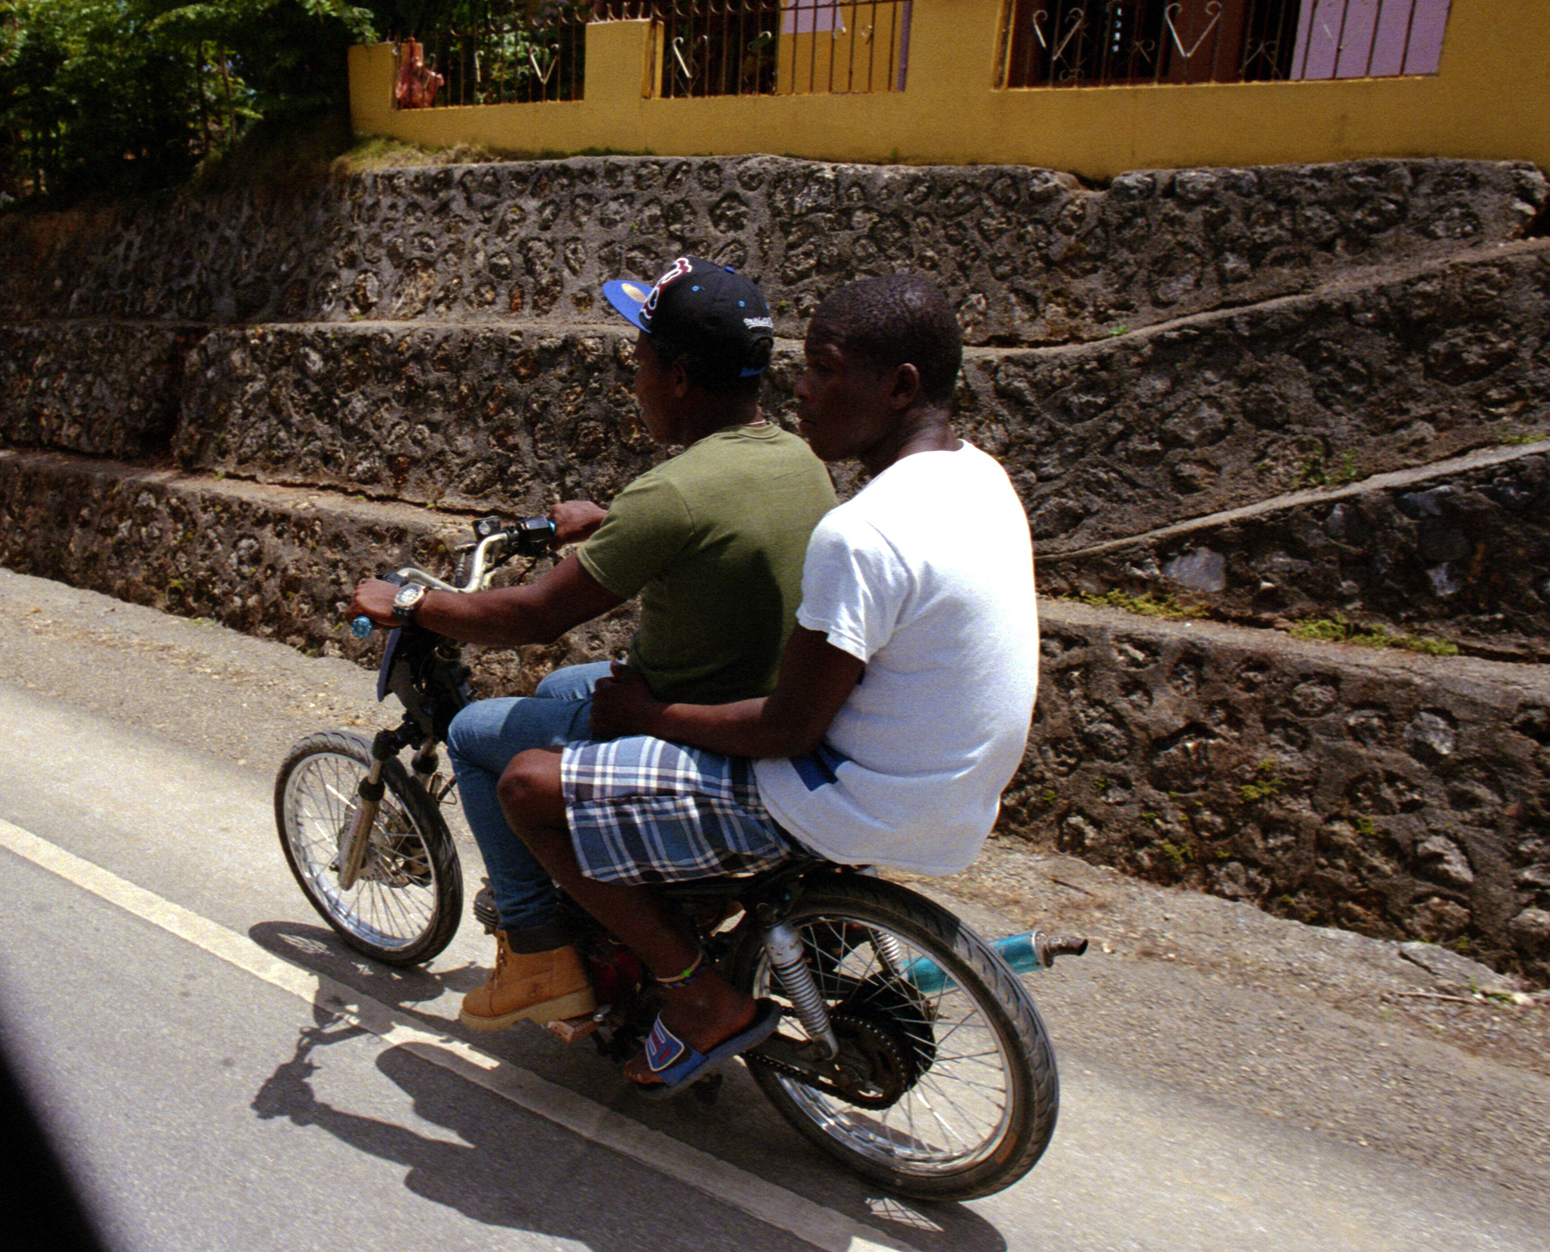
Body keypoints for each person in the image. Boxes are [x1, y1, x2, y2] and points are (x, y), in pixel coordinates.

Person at [495, 274, 1038, 1096]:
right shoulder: (979, 480)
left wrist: (648, 712)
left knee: (529, 785)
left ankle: (700, 996)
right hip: (957, 799)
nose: (803, 389)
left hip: (840, 797)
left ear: (899, 386)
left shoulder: (865, 531)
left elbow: (787, 732)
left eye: (824, 369)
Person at [346, 256, 837, 1031]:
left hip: (689, 729)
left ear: (678, 377)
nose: (633, 377)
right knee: (552, 692)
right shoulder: (796, 458)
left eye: (639, 360)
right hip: (756, 696)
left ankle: (538, 953)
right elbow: (717, 531)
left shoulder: (670, 493)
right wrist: (613, 522)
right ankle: (604, 915)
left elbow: (532, 616)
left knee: (477, 734)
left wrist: (412, 602)